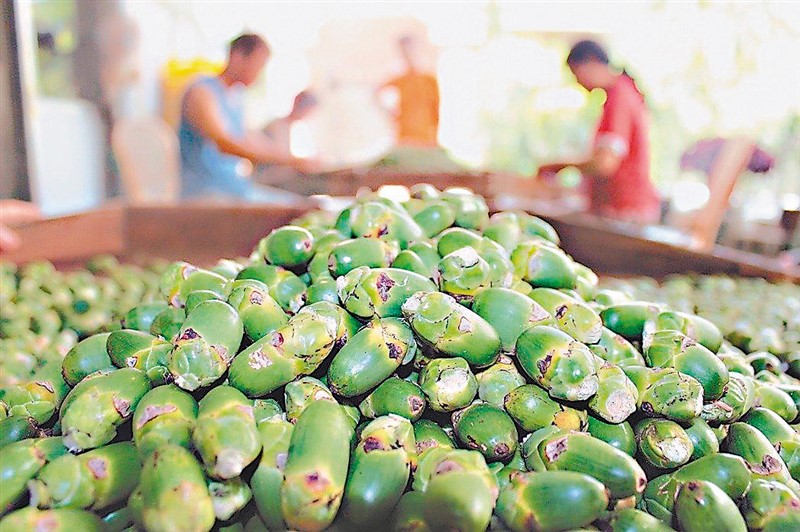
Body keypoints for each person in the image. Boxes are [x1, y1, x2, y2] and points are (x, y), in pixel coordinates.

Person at [179, 34, 315, 201]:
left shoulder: (236, 96)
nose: (258, 73)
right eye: (257, 65)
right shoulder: (202, 92)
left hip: (233, 188)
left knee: (300, 204)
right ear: (237, 56)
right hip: (205, 191)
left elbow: (247, 138)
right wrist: (290, 160)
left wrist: (298, 159)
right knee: (293, 209)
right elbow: (225, 144)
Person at [537, 40, 660, 224]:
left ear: (591, 61)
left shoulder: (619, 98)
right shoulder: (618, 94)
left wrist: (559, 166)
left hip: (625, 210)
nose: (578, 82)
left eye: (576, 73)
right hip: (621, 208)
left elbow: (605, 163)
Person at [377, 35, 440, 147]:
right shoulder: (399, 78)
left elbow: (436, 109)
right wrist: (390, 115)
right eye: (404, 51)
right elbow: (378, 93)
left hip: (426, 138)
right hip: (405, 137)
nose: (408, 54)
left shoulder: (429, 79)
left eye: (409, 50)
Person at [263, 90, 318, 155]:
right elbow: (278, 154)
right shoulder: (277, 125)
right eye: (308, 110)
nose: (307, 114)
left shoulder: (292, 129)